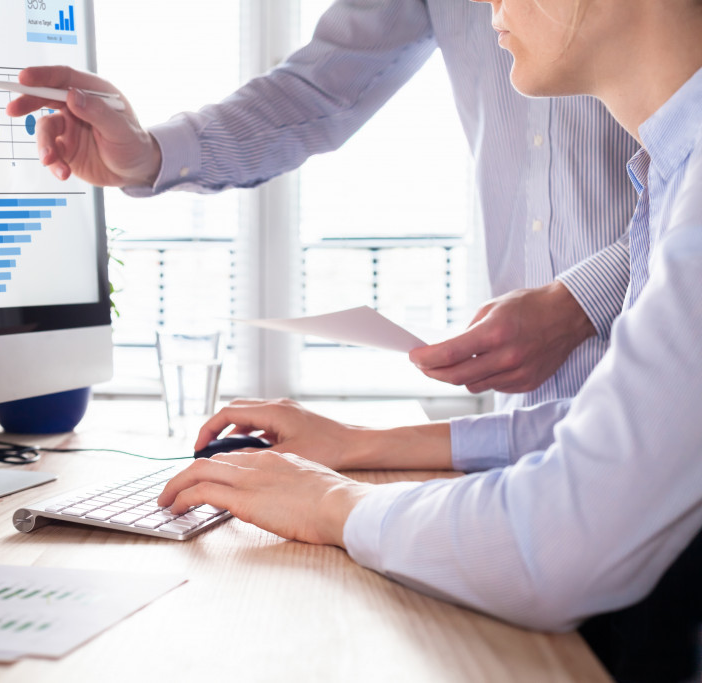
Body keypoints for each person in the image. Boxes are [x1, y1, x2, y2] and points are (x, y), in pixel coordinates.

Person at [152, 0, 702, 679]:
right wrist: (364, 446)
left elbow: (560, 539)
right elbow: (629, 429)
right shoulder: (671, 174)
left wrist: (332, 503)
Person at [7, 0, 639, 415]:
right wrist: (147, 154)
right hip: (528, 413)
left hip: (665, 384)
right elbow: (320, 91)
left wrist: (584, 300)